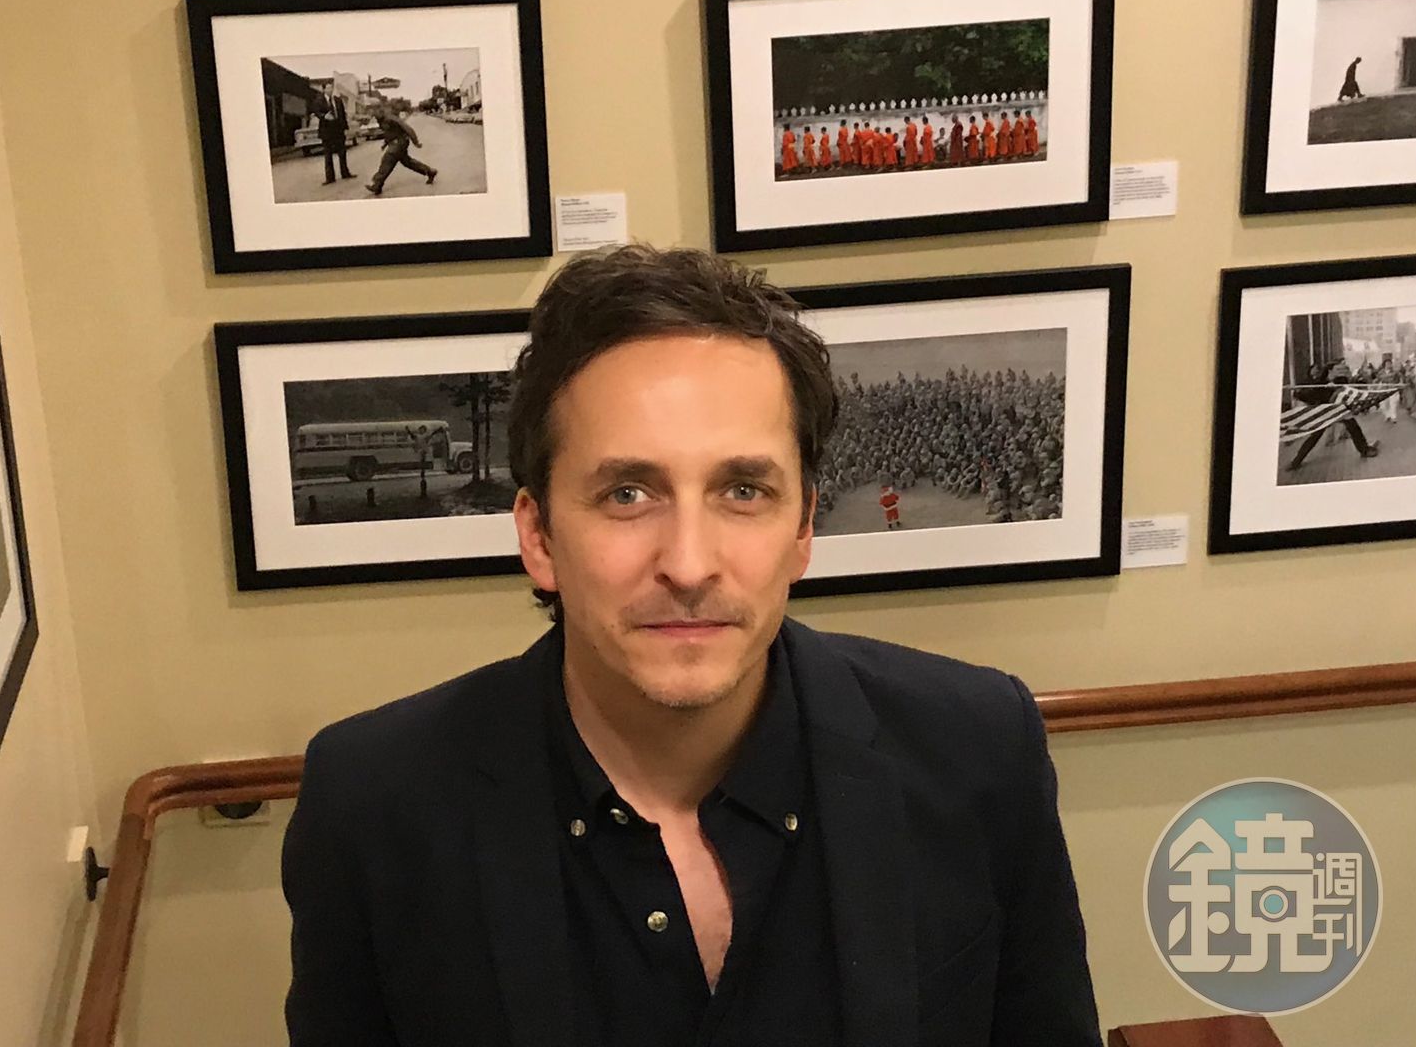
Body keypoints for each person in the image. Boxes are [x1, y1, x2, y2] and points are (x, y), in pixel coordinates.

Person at [283, 245, 1101, 1046]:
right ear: (539, 535)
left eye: (743, 490)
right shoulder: (373, 805)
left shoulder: (977, 750)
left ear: (803, 529)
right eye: (626, 494)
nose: (688, 564)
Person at [1285, 360, 1381, 472]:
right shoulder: (1319, 382)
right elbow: (1309, 396)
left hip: (1339, 410)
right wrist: (1296, 392)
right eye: (1337, 369)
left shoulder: (1342, 380)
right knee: (1314, 436)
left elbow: (1349, 391)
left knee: (1354, 428)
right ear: (1330, 370)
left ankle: (1364, 450)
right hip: (1326, 412)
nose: (1340, 371)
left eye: (1341, 369)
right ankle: (1296, 461)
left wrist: (1336, 387)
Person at [366, 101, 439, 195]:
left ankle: (377, 185)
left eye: (372, 110)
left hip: (400, 142)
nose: (372, 113)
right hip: (395, 143)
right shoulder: (380, 119)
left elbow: (407, 128)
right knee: (407, 162)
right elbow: (389, 132)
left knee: (387, 160)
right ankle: (430, 171)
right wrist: (385, 143)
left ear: (379, 109)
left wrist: (415, 142)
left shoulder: (390, 118)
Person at [312, 82, 353, 185]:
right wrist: (324, 116)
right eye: (328, 88)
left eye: (331, 88)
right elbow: (316, 112)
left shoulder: (338, 100)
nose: (330, 90)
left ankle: (345, 173)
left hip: (338, 131)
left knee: (342, 153)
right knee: (328, 155)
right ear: (324, 90)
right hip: (327, 131)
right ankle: (330, 177)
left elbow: (342, 115)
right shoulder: (319, 101)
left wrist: (345, 128)